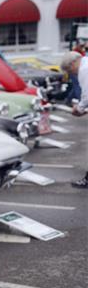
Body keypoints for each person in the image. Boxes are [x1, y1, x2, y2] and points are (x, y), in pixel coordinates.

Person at [60, 51, 88, 188]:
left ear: (72, 63)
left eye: (70, 70)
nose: (73, 74)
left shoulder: (84, 69)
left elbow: (87, 94)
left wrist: (79, 108)